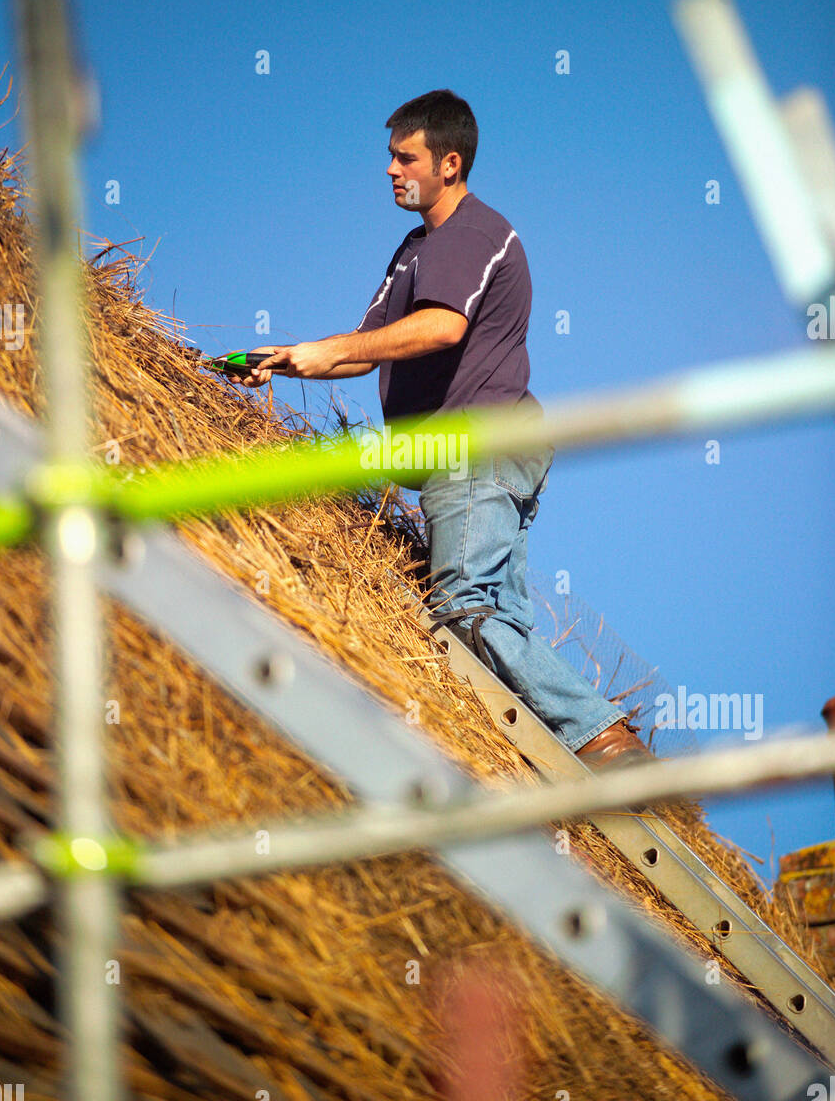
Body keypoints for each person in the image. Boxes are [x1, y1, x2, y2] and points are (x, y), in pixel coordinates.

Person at [243, 89, 650, 768]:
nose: (390, 170)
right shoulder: (416, 247)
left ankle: (604, 738)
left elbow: (442, 326)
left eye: (406, 158)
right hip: (475, 450)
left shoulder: (469, 236)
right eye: (390, 157)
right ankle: (561, 754)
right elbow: (369, 343)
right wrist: (293, 361)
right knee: (500, 616)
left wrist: (327, 351)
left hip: (475, 445)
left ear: (450, 164)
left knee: (461, 607)